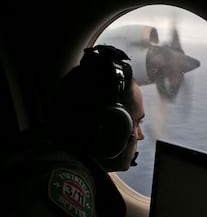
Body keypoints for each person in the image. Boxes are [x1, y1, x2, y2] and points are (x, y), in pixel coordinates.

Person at [2, 45, 145, 217]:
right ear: (111, 128)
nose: (141, 135)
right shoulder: (65, 181)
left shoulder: (45, 152)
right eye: (136, 123)